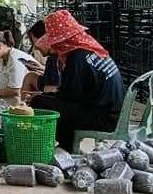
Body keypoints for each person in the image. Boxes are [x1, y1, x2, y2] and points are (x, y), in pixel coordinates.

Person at [29, 10, 124, 150]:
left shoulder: (76, 57)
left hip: (103, 118)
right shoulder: (89, 47)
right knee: (53, 103)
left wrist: (44, 96)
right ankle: (66, 148)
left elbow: (69, 97)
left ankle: (64, 149)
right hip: (111, 112)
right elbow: (74, 93)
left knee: (40, 103)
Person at [24, 20, 60, 94]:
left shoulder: (54, 59)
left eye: (35, 42)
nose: (35, 48)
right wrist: (40, 68)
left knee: (30, 77)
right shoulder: (53, 58)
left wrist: (39, 95)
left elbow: (56, 88)